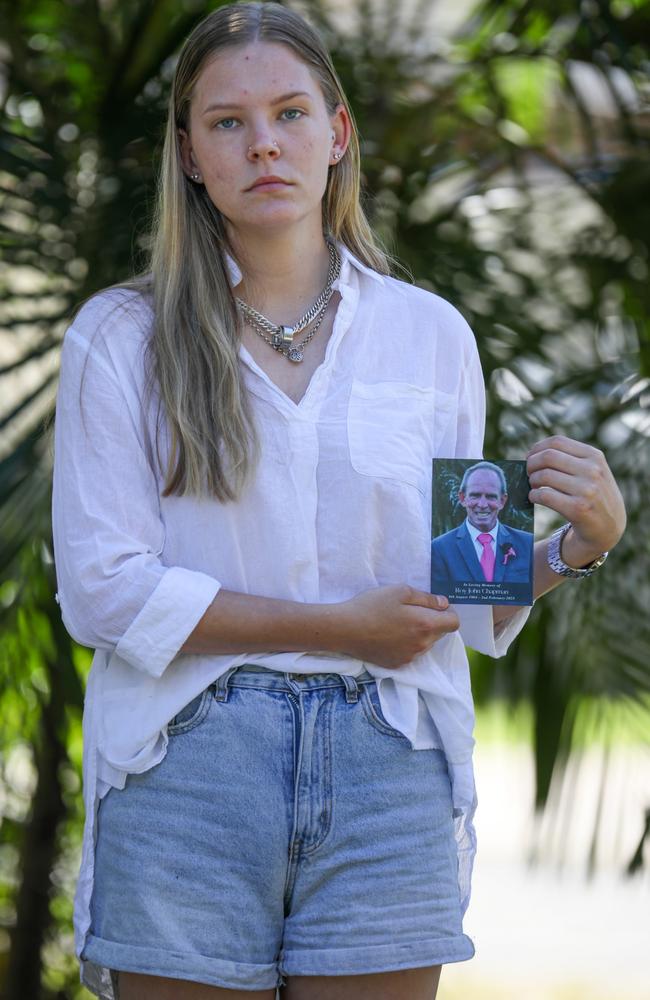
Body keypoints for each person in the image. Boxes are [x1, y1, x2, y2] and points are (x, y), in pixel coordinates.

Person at [51, 4, 626, 999]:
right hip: (187, 762)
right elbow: (105, 592)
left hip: (387, 762)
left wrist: (578, 546)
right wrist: (336, 627)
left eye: (288, 112)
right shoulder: (120, 337)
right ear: (188, 152)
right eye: (226, 122)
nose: (262, 141)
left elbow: (464, 590)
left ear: (337, 133)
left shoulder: (429, 336)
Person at [431, 461, 534, 588]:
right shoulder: (440, 548)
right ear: (463, 498)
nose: (482, 504)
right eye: (475, 495)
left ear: (502, 501)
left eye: (491, 497)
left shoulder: (527, 544)